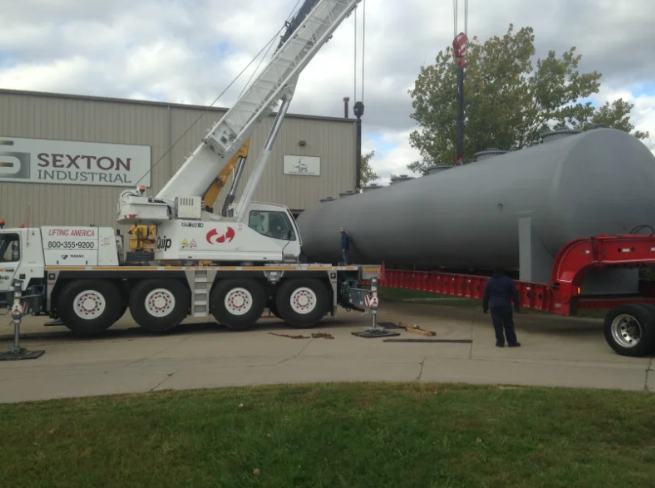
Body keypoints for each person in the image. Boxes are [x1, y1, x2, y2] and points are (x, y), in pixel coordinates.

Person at [482, 267, 521, 347]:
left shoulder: (489, 281)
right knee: (508, 324)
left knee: (497, 324)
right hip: (505, 304)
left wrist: (485, 306)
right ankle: (512, 342)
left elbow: (486, 295)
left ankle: (500, 342)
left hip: (494, 304)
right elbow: (514, 294)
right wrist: (516, 305)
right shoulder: (508, 280)